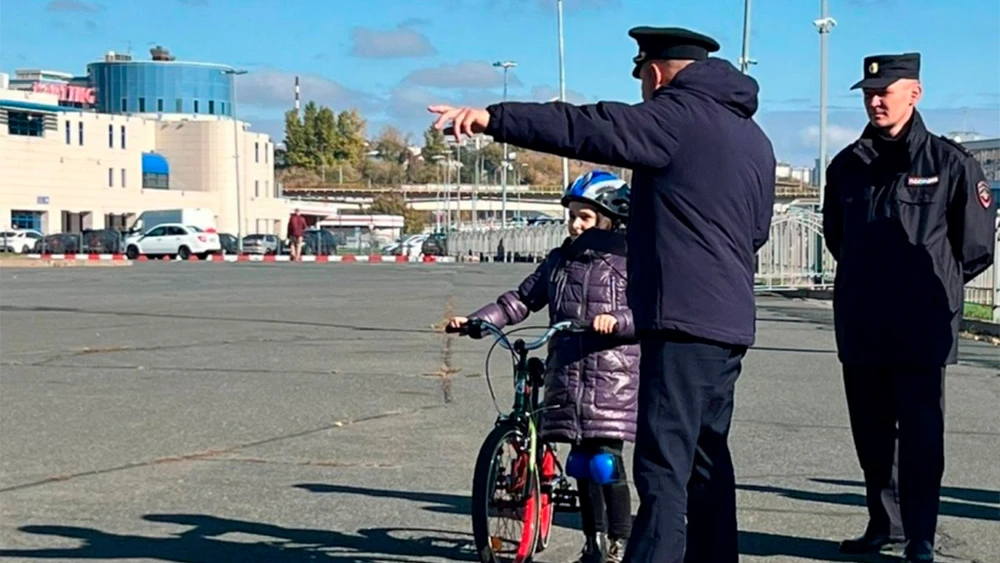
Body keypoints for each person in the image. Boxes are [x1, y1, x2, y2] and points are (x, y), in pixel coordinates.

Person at [430, 26, 775, 563]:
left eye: (641, 75)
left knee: (663, 468)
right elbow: (757, 231)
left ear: (654, 72)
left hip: (680, 322)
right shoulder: (754, 138)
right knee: (708, 463)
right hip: (728, 324)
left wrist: (493, 118)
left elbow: (585, 126)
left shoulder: (675, 116)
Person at [822, 53, 996, 563]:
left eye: (886, 91)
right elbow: (838, 238)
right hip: (862, 322)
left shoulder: (949, 163)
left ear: (914, 94)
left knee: (921, 437)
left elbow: (976, 246)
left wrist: (928, 286)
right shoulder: (847, 165)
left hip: (920, 327)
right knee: (872, 435)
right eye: (868, 93)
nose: (875, 101)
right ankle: (885, 523)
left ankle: (920, 533)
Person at [449, 171, 638, 563]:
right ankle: (593, 542)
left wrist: (618, 321)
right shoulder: (559, 261)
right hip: (567, 371)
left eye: (585, 216)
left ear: (609, 218)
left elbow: (651, 311)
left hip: (611, 376)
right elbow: (520, 300)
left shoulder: (628, 260)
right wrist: (478, 322)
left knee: (604, 460)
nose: (574, 224)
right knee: (580, 463)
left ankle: (621, 541)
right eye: (571, 215)